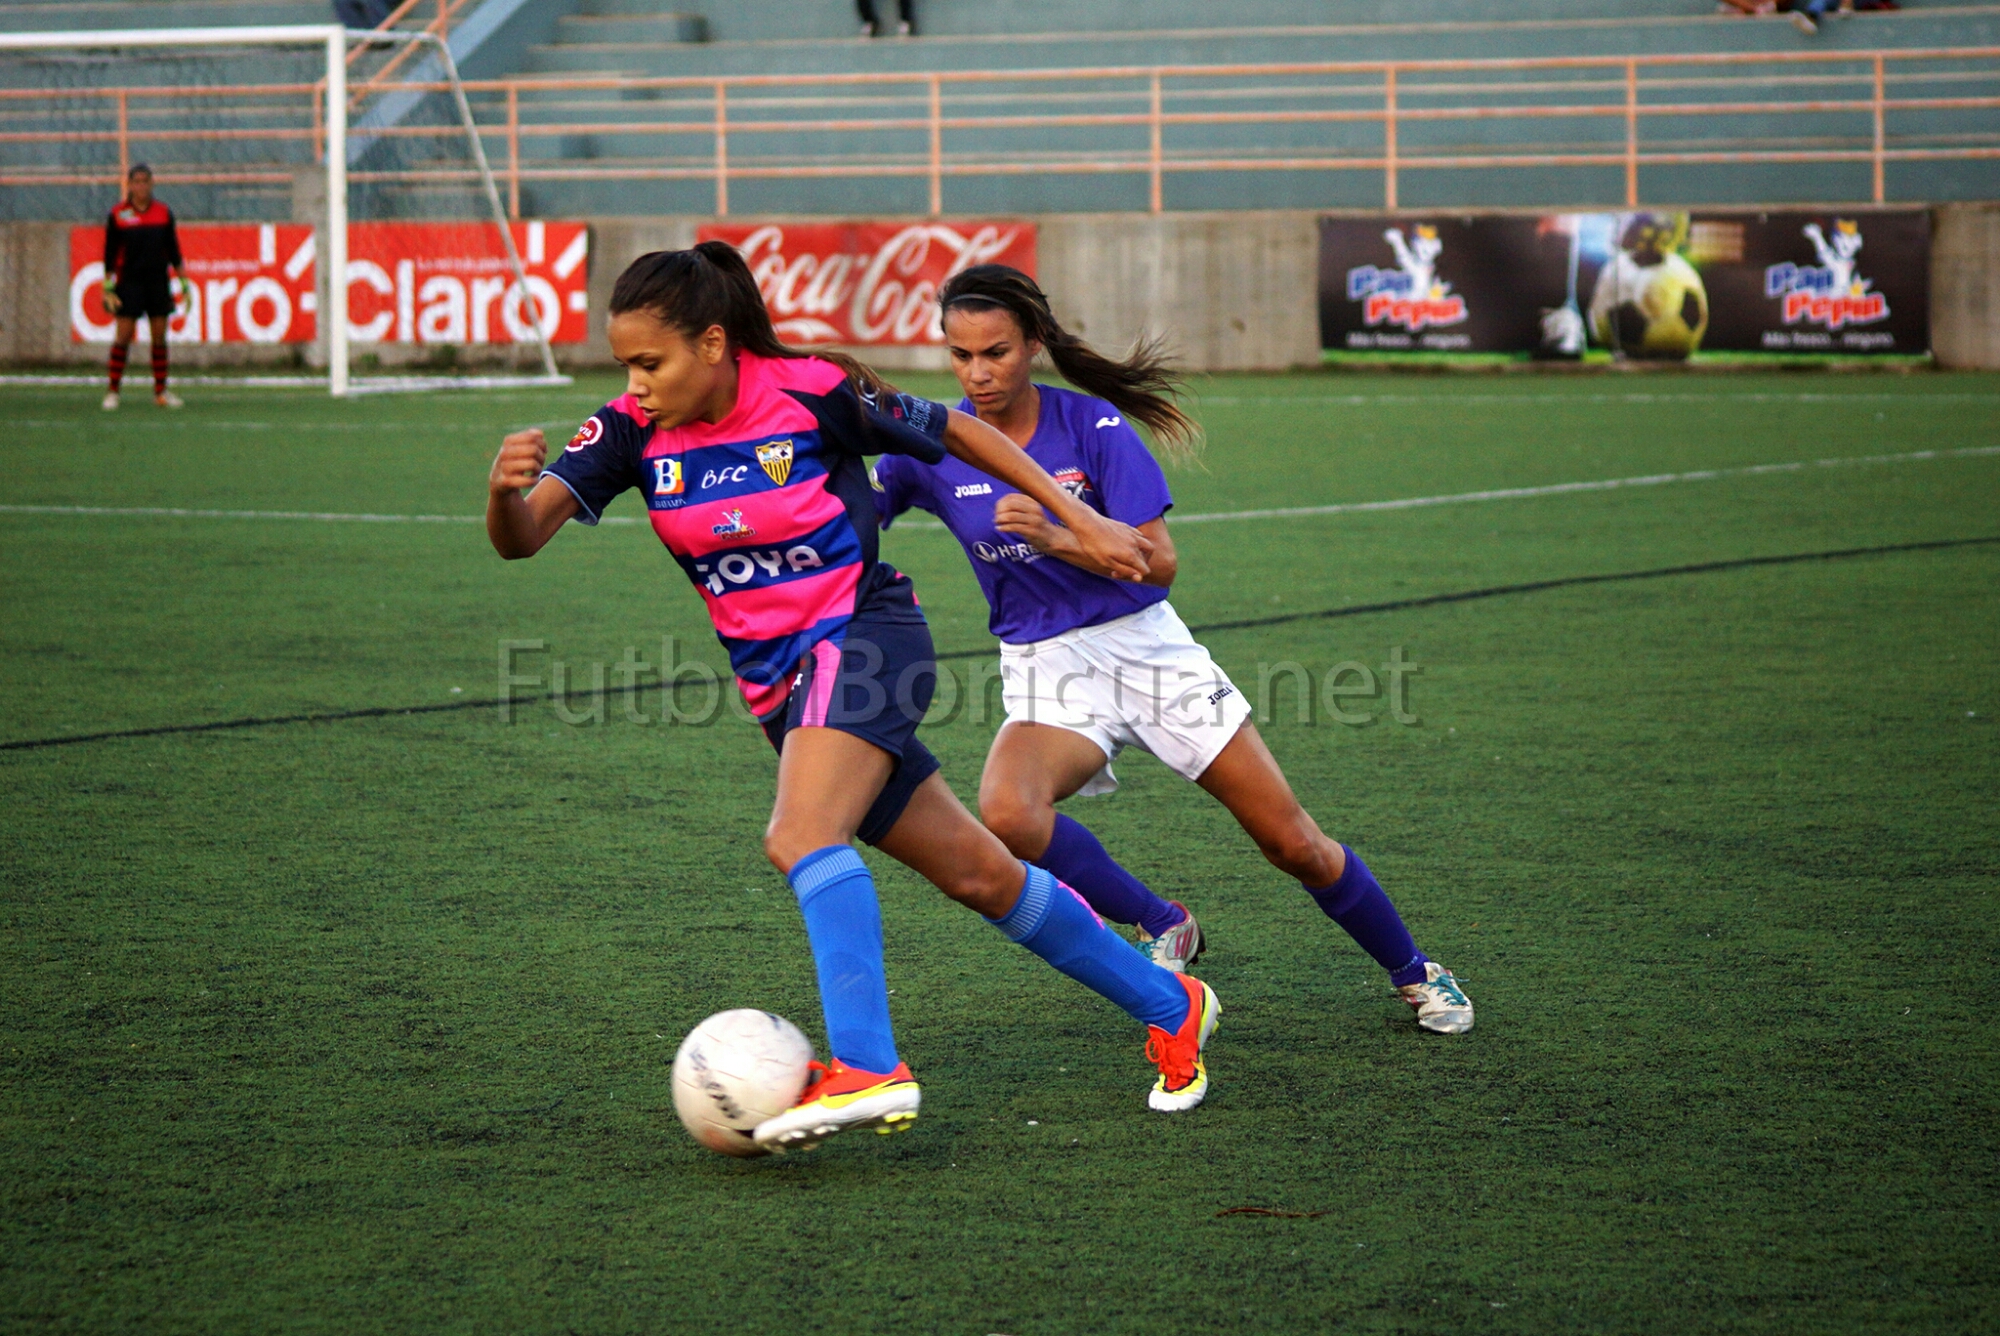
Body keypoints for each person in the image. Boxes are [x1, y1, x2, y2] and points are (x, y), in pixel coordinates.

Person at [486, 243, 1219, 1154]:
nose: (634, 383)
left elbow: (959, 434)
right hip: (779, 690)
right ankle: (1170, 1002)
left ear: (713, 344)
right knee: (978, 872)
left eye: (649, 362)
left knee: (799, 836)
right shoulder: (629, 434)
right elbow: (522, 539)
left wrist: (1084, 518)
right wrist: (502, 495)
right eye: (625, 366)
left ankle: (869, 1068)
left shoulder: (811, 388)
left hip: (867, 637)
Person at [869, 265, 1475, 1034]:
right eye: (961, 355)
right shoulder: (936, 446)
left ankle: (1416, 971)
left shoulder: (1094, 429)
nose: (978, 373)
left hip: (1150, 655)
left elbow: (1157, 565)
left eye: (996, 352)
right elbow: (854, 512)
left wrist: (1061, 535)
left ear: (1034, 345)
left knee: (1292, 843)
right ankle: (1163, 922)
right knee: (1009, 814)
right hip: (1045, 667)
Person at [100, 164, 184, 411]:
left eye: (145, 181)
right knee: (123, 336)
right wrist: (108, 286)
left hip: (158, 282)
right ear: (130, 185)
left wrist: (184, 282)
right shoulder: (119, 214)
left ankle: (161, 391)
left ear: (151, 184)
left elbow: (174, 251)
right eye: (136, 182)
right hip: (130, 283)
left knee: (159, 338)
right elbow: (110, 253)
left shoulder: (163, 213)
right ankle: (113, 391)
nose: (141, 186)